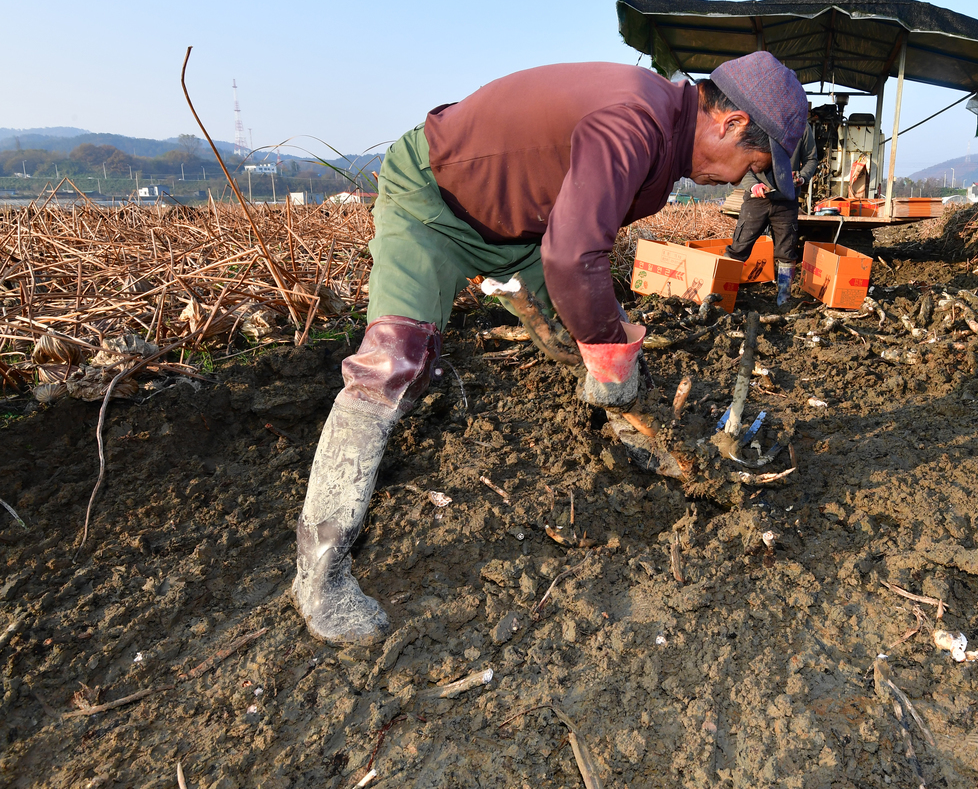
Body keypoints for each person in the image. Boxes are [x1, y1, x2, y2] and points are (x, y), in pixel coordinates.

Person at [293, 52, 809, 646]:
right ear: (732, 123)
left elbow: (570, 248)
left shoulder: (664, 138)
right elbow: (570, 257)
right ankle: (319, 575)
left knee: (594, 328)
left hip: (523, 233)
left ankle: (645, 440)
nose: (746, 179)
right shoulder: (635, 120)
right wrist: (608, 350)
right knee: (393, 366)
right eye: (755, 163)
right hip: (433, 204)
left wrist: (604, 340)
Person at [724, 117, 816, 305]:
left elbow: (811, 159)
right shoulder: (754, 123)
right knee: (739, 248)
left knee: (786, 251)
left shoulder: (801, 127)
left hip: (786, 200)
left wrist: (802, 178)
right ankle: (723, 293)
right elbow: (740, 158)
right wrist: (753, 186)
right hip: (757, 199)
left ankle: (783, 299)